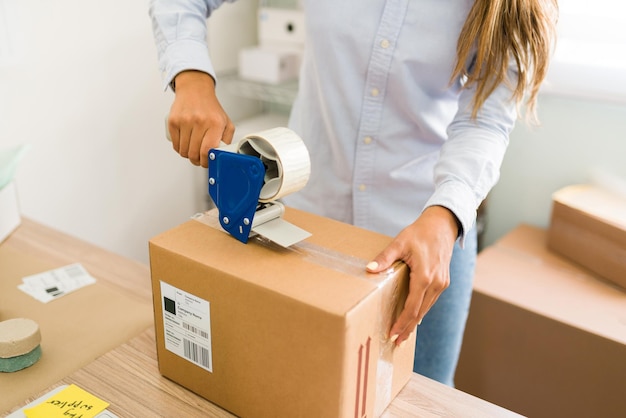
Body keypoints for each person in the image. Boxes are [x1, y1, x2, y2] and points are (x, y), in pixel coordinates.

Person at [149, 0, 558, 386]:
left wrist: (446, 214)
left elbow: (485, 121)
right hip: (306, 225)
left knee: (415, 398)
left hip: (426, 235)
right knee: (297, 383)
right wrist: (192, 79)